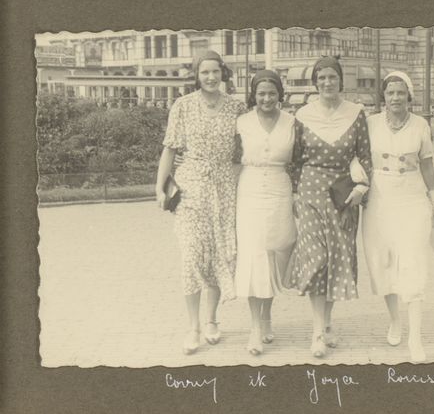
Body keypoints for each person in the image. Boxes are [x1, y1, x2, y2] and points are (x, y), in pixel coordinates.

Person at [155, 50, 246, 355]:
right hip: (191, 188)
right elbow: (170, 148)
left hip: (223, 190)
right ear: (196, 75)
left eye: (215, 71)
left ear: (223, 73)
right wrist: (159, 188)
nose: (210, 77)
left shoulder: (236, 107)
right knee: (192, 255)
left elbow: (243, 151)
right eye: (204, 72)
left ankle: (211, 320)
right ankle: (193, 326)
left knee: (218, 254)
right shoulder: (182, 106)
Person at [284, 56, 372, 358]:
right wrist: (296, 193)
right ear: (315, 82)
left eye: (332, 77)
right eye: (321, 78)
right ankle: (317, 332)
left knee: (338, 258)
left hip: (343, 195)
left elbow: (365, 155)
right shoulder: (303, 115)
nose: (327, 82)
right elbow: (295, 159)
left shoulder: (356, 114)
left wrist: (361, 188)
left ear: (340, 80)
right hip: (311, 192)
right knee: (318, 259)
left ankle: (326, 322)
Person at [361, 71, 434, 363]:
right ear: (383, 97)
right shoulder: (370, 123)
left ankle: (415, 338)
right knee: (383, 262)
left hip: (412, 199)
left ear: (409, 96)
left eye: (400, 93)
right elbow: (357, 158)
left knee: (413, 264)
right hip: (379, 200)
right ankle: (395, 320)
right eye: (390, 93)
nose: (395, 98)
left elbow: (428, 165)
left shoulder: (420, 125)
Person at [234, 70, 298, 356]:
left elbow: (299, 160)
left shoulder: (292, 122)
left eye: (272, 93)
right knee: (254, 256)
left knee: (275, 253)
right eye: (261, 93)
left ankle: (267, 316)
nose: (267, 98)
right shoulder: (242, 123)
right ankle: (254, 328)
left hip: (279, 190)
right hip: (250, 191)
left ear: (279, 94)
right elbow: (232, 159)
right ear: (254, 95)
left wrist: (297, 194)